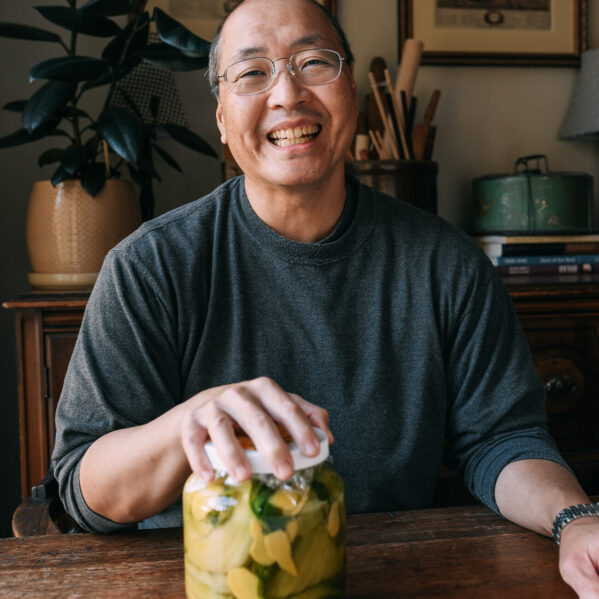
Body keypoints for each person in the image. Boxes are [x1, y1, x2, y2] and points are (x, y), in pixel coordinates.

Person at [53, 0, 599, 595]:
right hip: (211, 578)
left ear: (352, 94)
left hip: (397, 575)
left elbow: (504, 438)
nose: (287, 94)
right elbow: (82, 487)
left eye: (314, 62)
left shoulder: (446, 263)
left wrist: (576, 520)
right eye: (253, 72)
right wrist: (192, 421)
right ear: (221, 118)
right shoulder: (150, 265)